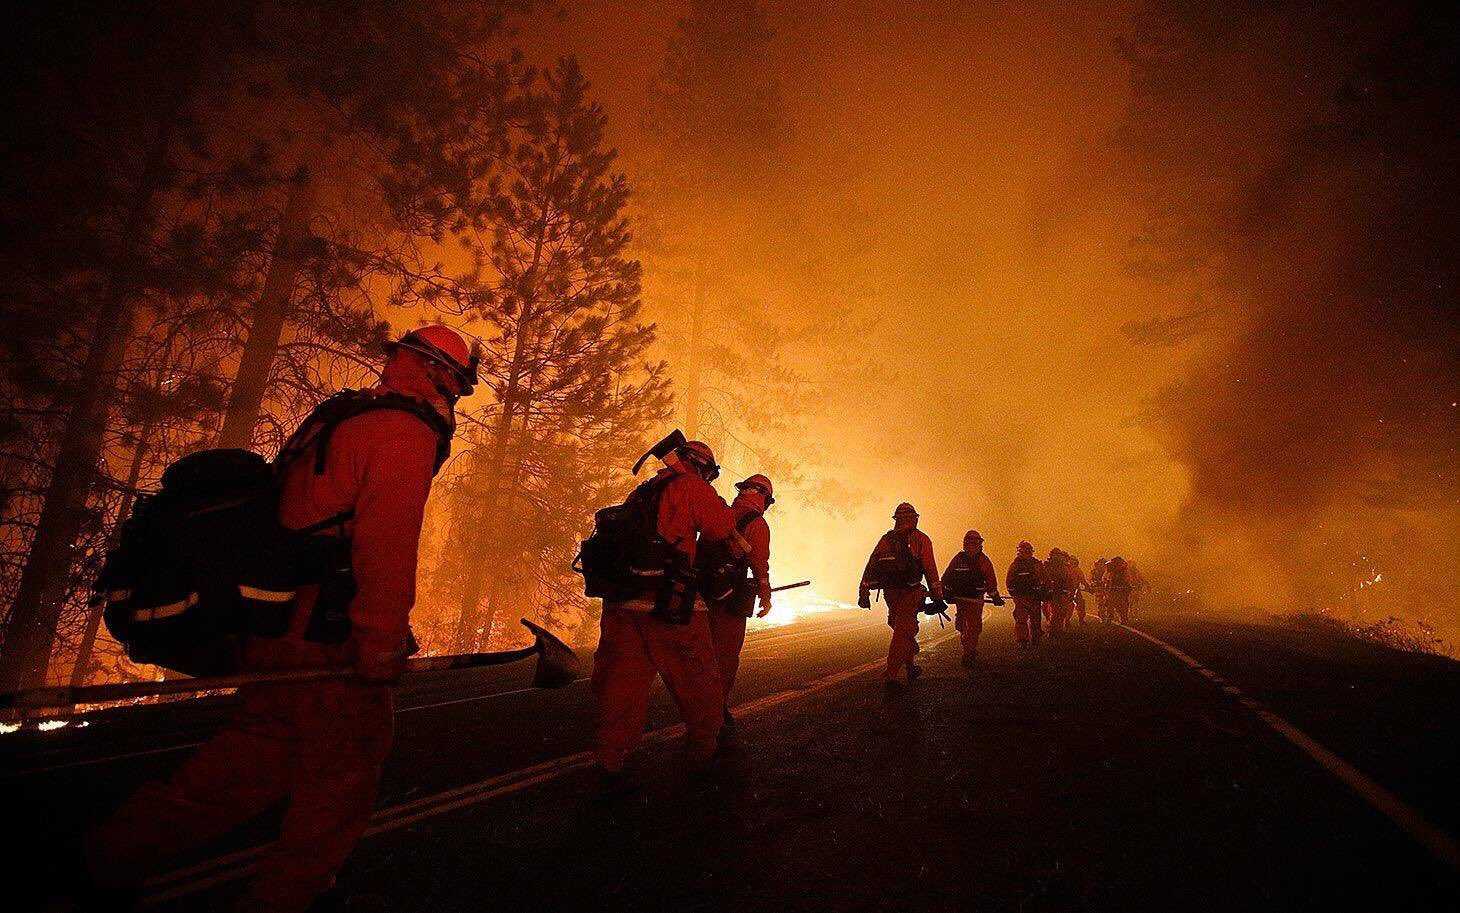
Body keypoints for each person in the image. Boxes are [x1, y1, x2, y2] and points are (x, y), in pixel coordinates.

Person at [84, 325, 475, 912]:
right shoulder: (404, 430)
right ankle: (290, 897)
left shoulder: (346, 415)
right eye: (459, 386)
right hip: (328, 634)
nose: (456, 400)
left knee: (255, 758)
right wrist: (380, 642)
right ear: (439, 373)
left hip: (278, 621)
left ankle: (111, 857)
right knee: (345, 770)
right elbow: (385, 545)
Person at [590, 439, 742, 784]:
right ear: (703, 468)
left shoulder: (643, 491)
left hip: (623, 605)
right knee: (698, 678)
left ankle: (609, 759)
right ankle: (706, 754)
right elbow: (720, 528)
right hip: (670, 605)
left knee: (621, 685)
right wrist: (722, 503)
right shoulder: (692, 487)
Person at [702, 473, 775, 751]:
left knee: (703, 653)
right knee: (726, 657)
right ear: (764, 498)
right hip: (730, 601)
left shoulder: (722, 514)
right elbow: (759, 565)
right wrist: (765, 596)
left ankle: (702, 709)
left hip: (702, 594)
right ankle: (714, 714)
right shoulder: (756, 524)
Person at [859, 502, 943, 689]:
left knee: (900, 627)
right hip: (910, 592)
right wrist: (937, 596)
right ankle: (891, 675)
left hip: (890, 593)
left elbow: (871, 565)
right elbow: (930, 569)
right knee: (904, 631)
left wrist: (863, 591)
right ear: (915, 519)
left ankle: (911, 667)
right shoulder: (921, 539)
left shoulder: (886, 540)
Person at [941, 530, 1002, 668]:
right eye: (970, 543)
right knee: (967, 626)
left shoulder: (979, 560)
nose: (972, 545)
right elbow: (947, 577)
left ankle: (968, 652)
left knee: (971, 626)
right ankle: (969, 650)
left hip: (972, 599)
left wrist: (994, 595)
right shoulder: (963, 559)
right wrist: (946, 591)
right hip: (964, 599)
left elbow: (990, 580)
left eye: (974, 543)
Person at [1006, 541, 1046, 648]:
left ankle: (1035, 638)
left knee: (1035, 619)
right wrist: (1014, 594)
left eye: (1028, 550)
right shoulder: (1015, 565)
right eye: (1024, 550)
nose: (1026, 553)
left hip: (1034, 596)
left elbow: (1044, 578)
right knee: (1021, 619)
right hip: (1021, 597)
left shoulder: (1037, 565)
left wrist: (1044, 591)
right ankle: (1022, 640)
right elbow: (1009, 581)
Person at [1105, 555, 1134, 624]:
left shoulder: (1124, 571)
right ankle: (1111, 616)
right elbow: (1108, 579)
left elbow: (1127, 580)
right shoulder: (1112, 571)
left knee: (1122, 604)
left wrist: (1127, 587)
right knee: (1111, 603)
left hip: (1122, 589)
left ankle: (1123, 618)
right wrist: (1107, 586)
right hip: (1114, 589)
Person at [1090, 557, 1110, 623]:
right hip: (1098, 589)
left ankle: (1108, 615)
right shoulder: (1094, 572)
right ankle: (1102, 616)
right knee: (1100, 603)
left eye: (1104, 564)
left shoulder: (1108, 571)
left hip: (1106, 589)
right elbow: (1092, 580)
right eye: (1101, 564)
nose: (1103, 565)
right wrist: (1095, 584)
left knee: (1107, 602)